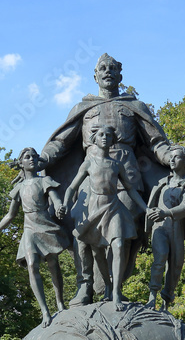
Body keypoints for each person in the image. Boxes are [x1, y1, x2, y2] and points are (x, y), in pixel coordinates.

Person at [39, 54, 176, 305]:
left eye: (112, 68)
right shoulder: (84, 108)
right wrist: (43, 159)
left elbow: (157, 143)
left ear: (120, 75)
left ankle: (114, 288)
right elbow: (60, 143)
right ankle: (85, 286)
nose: (107, 72)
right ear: (95, 75)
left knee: (122, 234)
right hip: (90, 179)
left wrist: (174, 157)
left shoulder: (135, 106)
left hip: (127, 177)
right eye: (102, 68)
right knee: (83, 231)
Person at [62, 126, 148, 311]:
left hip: (114, 206)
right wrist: (65, 203)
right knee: (97, 252)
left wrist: (146, 208)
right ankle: (106, 286)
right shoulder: (89, 163)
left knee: (117, 246)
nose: (105, 138)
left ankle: (116, 292)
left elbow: (131, 189)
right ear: (94, 139)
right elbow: (71, 187)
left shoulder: (116, 165)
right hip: (95, 208)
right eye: (101, 135)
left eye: (109, 135)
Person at [0, 147, 70, 328]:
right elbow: (10, 215)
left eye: (34, 157)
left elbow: (56, 199)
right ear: (21, 163)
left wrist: (60, 206)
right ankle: (45, 312)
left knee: (53, 264)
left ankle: (60, 302)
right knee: (32, 266)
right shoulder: (19, 188)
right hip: (29, 229)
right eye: (27, 157)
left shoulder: (45, 181)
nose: (32, 159)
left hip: (45, 225)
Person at [145, 144, 185, 311]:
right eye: (171, 157)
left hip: (176, 229)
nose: (171, 159)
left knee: (175, 266)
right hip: (160, 228)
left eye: (176, 157)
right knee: (160, 258)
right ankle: (151, 297)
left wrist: (166, 212)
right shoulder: (163, 182)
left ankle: (165, 304)